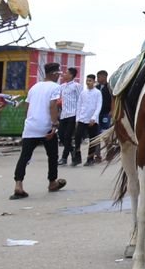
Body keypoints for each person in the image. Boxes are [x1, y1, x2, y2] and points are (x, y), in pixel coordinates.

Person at [11, 63, 66, 199]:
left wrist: (28, 122)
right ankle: (52, 182)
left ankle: (18, 184)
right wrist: (54, 124)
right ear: (53, 74)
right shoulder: (55, 87)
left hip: (31, 126)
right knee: (52, 155)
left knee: (24, 156)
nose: (59, 77)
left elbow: (27, 107)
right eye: (58, 74)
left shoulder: (34, 87)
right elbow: (53, 105)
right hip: (45, 126)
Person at [57, 66, 81, 166]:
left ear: (71, 75)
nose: (64, 74)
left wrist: (79, 116)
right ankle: (73, 151)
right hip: (63, 114)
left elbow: (80, 100)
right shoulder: (62, 86)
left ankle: (64, 158)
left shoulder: (76, 86)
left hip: (73, 114)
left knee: (67, 136)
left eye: (66, 73)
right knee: (61, 135)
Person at [76, 73, 102, 164]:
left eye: (90, 81)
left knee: (92, 140)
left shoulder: (97, 93)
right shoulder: (83, 92)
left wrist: (94, 118)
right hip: (82, 119)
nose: (88, 82)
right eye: (87, 80)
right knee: (77, 137)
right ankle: (77, 157)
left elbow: (98, 106)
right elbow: (79, 105)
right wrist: (78, 118)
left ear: (94, 82)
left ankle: (90, 159)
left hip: (92, 120)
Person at [91, 69, 114, 164]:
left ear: (104, 77)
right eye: (97, 77)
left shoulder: (110, 87)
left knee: (105, 134)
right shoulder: (96, 88)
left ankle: (109, 152)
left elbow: (113, 99)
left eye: (99, 77)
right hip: (97, 114)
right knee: (96, 135)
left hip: (106, 113)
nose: (98, 79)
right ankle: (97, 155)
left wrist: (112, 110)